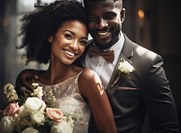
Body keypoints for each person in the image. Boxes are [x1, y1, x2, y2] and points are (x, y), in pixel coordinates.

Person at [17, 0, 180, 133]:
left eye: (109, 16)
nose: (101, 25)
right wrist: (30, 74)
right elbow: (57, 78)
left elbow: (167, 128)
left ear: (122, 15)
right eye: (93, 18)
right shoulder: (75, 53)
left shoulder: (148, 63)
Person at [15, 0, 117, 133]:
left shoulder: (87, 79)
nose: (75, 46)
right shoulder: (30, 81)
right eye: (68, 36)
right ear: (51, 35)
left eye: (82, 41)